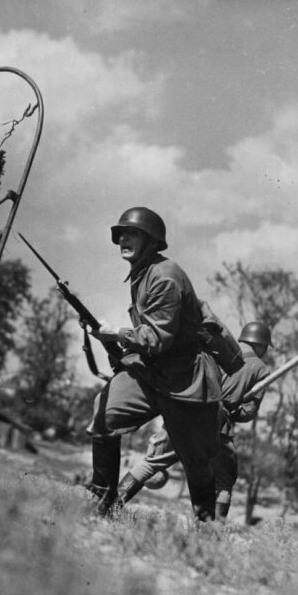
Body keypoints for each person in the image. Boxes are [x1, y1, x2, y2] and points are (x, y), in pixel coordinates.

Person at [88, 207, 223, 521]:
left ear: (150, 241)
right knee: (105, 412)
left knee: (196, 463)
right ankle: (102, 500)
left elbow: (158, 337)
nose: (123, 238)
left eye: (132, 233)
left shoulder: (163, 277)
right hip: (152, 372)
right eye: (120, 233)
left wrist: (118, 333)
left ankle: (207, 530)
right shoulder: (141, 273)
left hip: (185, 381)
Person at [116, 321, 273, 521]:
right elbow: (247, 412)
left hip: (184, 408)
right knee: (223, 481)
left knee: (152, 462)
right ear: (261, 345)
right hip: (216, 423)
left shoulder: (218, 348)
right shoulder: (260, 369)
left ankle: (110, 505)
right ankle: (209, 534)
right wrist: (234, 408)